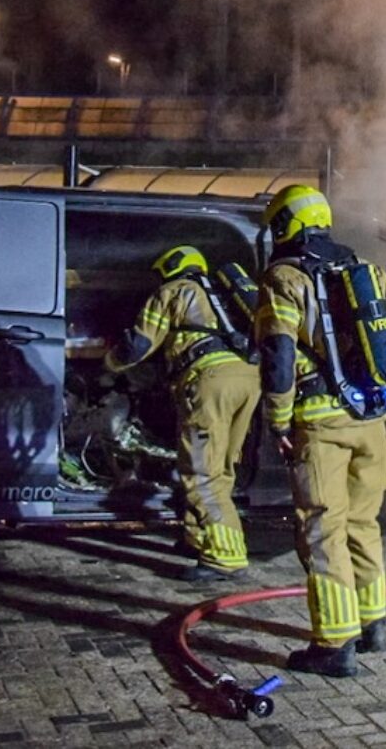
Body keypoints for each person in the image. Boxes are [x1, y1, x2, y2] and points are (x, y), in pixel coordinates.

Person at [256, 185, 386, 678]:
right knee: (363, 524)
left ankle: (333, 644)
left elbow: (279, 357)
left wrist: (278, 419)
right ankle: (371, 623)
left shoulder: (284, 279)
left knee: (323, 529)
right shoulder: (362, 270)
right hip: (372, 422)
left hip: (320, 426)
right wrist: (381, 371)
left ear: (285, 225)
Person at [106, 245, 260, 582]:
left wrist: (108, 366)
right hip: (249, 379)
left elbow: (139, 345)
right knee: (222, 467)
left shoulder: (173, 291)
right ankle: (199, 537)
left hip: (209, 381)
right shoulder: (225, 294)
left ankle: (226, 555)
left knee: (201, 471)